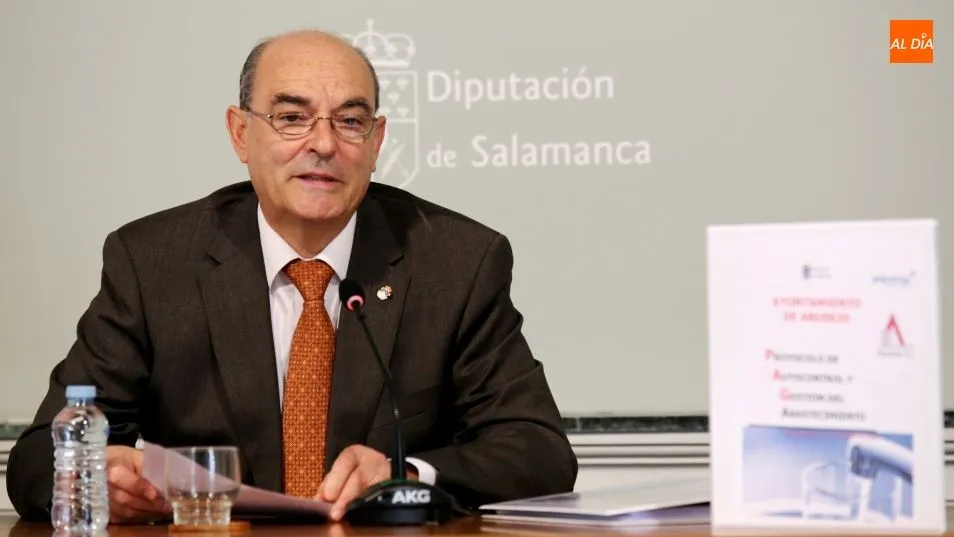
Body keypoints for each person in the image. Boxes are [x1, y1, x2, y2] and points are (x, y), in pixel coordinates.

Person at [5, 29, 577, 523]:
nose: (323, 144)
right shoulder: (154, 263)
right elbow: (37, 458)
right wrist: (94, 477)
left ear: (375, 143)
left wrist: (404, 472)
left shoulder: (455, 261)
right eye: (291, 118)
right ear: (240, 134)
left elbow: (538, 451)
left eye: (350, 121)